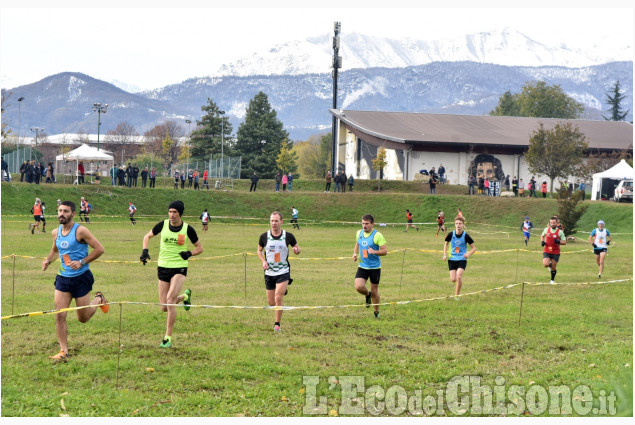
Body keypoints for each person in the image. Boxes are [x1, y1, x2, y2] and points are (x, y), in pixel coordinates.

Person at [41, 200, 108, 362]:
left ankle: (98, 298)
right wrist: (48, 260)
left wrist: (82, 262)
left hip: (81, 279)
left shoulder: (81, 231)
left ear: (73, 214)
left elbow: (100, 249)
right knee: (59, 315)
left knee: (83, 318)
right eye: (60, 211)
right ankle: (64, 350)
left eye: (65, 211)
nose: (61, 214)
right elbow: (56, 249)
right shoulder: (55, 232)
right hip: (63, 279)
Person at [140, 201, 203, 348]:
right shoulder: (162, 225)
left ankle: (167, 337)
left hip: (179, 268)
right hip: (163, 267)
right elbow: (146, 236)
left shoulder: (188, 229)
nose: (172, 215)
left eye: (174, 212)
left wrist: (189, 253)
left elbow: (200, 248)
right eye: (170, 212)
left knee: (169, 300)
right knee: (164, 306)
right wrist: (145, 251)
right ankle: (184, 297)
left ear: (180, 213)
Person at [257, 211, 301, 332]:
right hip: (269, 273)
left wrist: (296, 250)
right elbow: (259, 251)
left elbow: (297, 248)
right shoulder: (264, 236)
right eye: (272, 221)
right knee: (272, 303)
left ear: (281, 222)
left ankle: (277, 325)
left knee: (278, 297)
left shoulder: (288, 236)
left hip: (283, 271)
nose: (274, 223)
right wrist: (263, 261)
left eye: (276, 221)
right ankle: (282, 291)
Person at [352, 214, 387, 319]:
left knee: (375, 291)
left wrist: (374, 251)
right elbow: (357, 243)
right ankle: (368, 294)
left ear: (372, 224)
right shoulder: (359, 233)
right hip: (362, 266)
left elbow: (384, 251)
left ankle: (376, 312)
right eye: (363, 223)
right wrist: (354, 253)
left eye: (367, 224)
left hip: (374, 268)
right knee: (358, 287)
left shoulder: (377, 235)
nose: (364, 226)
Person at [443, 216, 476, 297]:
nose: (458, 225)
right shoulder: (451, 234)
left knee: (459, 276)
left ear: (463, 225)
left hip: (462, 259)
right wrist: (444, 254)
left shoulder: (466, 236)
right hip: (452, 259)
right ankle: (457, 290)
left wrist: (468, 254)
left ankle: (457, 296)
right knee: (453, 279)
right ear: (455, 225)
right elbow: (446, 244)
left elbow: (474, 248)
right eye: (456, 223)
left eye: (460, 224)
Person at [541, 216, 567, 284]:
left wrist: (559, 242)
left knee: (553, 266)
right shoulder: (546, 229)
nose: (552, 224)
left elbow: (564, 242)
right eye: (551, 223)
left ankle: (552, 280)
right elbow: (542, 235)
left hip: (556, 252)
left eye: (554, 223)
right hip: (547, 250)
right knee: (545, 264)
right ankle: (549, 265)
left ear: (556, 223)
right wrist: (542, 241)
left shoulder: (560, 232)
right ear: (549, 223)